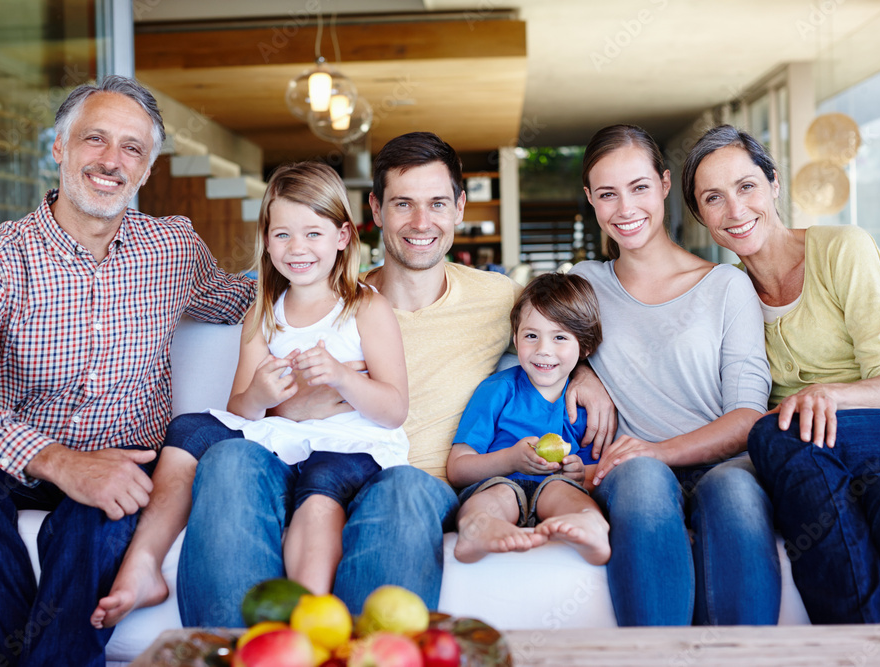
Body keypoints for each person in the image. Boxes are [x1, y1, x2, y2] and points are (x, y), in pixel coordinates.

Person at [177, 131, 615, 622]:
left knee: (401, 489)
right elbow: (258, 291)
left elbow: (561, 326)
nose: (421, 222)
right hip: (307, 462)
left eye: (437, 203)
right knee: (230, 459)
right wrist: (286, 403)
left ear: (460, 208)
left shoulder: (500, 298)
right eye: (403, 203)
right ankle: (242, 651)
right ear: (376, 211)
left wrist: (587, 373)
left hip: (414, 481)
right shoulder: (331, 293)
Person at [0, 76, 254, 666]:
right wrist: (59, 462)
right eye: (94, 139)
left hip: (123, 462)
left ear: (147, 169)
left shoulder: (173, 249)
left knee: (99, 513)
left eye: (132, 148)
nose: (111, 161)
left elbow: (235, 299)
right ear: (60, 148)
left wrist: (347, 285)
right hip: (18, 460)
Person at [97, 162, 408, 616]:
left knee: (321, 484)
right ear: (266, 239)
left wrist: (343, 377)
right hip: (280, 447)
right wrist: (263, 395)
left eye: (313, 234)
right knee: (189, 429)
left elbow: (395, 408)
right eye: (282, 234)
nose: (296, 248)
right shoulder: (263, 312)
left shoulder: (364, 307)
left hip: (350, 446)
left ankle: (311, 613)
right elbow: (237, 410)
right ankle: (143, 563)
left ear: (342, 236)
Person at [682, 124, 880, 624]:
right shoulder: (727, 295)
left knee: (775, 432)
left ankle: (847, 642)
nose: (736, 210)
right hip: (831, 459)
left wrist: (824, 395)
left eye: (747, 186)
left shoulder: (842, 249)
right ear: (702, 217)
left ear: (774, 185)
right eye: (713, 198)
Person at [567, 124, 779, 626]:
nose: (625, 208)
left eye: (639, 187)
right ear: (591, 201)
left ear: (663, 185)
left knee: (734, 491)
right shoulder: (582, 285)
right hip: (631, 473)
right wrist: (581, 370)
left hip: (725, 463)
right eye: (607, 194)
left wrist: (657, 450)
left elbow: (748, 415)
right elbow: (530, 349)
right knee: (640, 478)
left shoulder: (727, 285)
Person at [446, 272, 610, 565]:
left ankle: (591, 526)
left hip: (556, 488)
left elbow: (598, 472)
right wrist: (510, 460)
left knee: (562, 492)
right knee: (497, 497)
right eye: (531, 336)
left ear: (585, 347)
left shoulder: (585, 407)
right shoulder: (497, 390)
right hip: (498, 482)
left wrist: (578, 473)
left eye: (560, 337)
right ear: (515, 338)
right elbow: (458, 468)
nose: (543, 349)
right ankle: (478, 527)